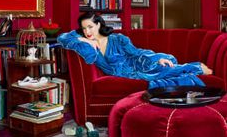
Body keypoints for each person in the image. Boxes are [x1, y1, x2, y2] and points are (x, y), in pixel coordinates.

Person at [57, 12, 212, 89]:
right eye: (84, 29)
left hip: (137, 65)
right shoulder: (87, 44)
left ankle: (195, 67)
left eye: (90, 27)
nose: (87, 31)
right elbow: (62, 38)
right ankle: (193, 70)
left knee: (161, 68)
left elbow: (136, 53)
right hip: (125, 74)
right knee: (157, 78)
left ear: (98, 25)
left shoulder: (117, 39)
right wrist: (82, 39)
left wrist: (157, 59)